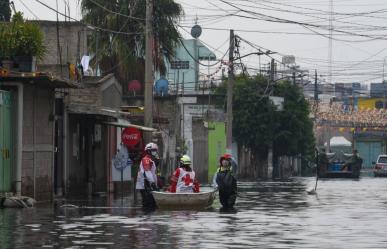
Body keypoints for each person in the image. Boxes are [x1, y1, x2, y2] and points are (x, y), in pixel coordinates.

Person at [136, 142, 159, 210]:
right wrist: (152, 183)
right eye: (153, 150)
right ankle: (146, 218)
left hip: (148, 184)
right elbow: (147, 172)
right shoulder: (146, 159)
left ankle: (148, 217)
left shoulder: (150, 160)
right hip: (146, 184)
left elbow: (153, 173)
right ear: (149, 151)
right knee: (148, 204)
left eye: (155, 150)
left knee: (151, 204)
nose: (155, 152)